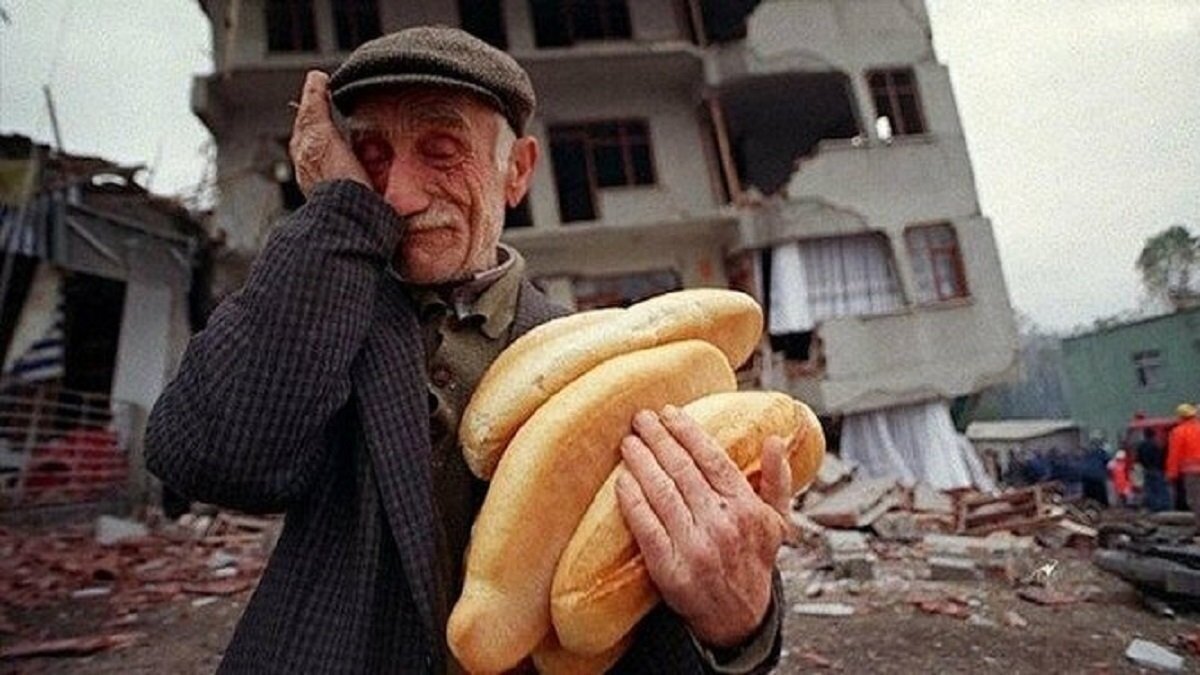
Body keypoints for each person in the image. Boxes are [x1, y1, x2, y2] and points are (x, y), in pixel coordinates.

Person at [145, 27, 789, 674]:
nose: (399, 196)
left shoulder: (604, 365)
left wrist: (737, 626)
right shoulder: (319, 319)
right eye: (370, 155)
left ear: (518, 171)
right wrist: (339, 213)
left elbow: (635, 598)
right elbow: (207, 457)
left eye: (442, 150)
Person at [1167, 403, 1200, 520]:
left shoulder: (1178, 432)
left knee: (1195, 500)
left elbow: (1174, 454)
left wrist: (1172, 474)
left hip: (1191, 473)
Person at [1135, 428, 1170, 512]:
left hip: (1147, 469)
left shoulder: (1141, 446)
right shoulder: (1155, 445)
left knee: (1150, 489)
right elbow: (1160, 457)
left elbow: (1138, 458)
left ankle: (1153, 506)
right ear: (1153, 435)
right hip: (1156, 469)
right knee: (1160, 488)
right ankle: (1164, 505)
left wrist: (1144, 465)